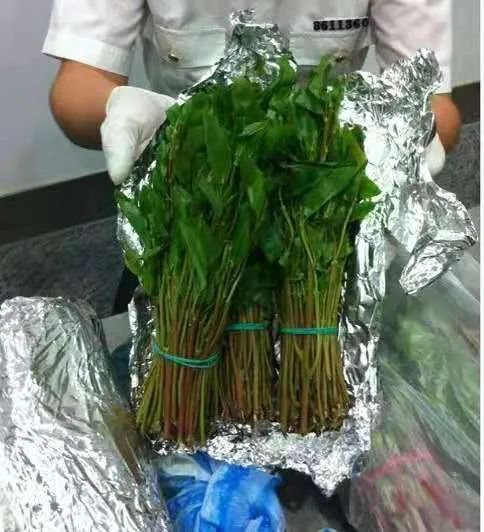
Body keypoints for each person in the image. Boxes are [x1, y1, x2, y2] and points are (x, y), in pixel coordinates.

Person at [43, 1, 461, 312]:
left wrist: (410, 133)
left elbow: (438, 105)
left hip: (325, 206)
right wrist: (123, 109)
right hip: (192, 198)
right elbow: (77, 87)